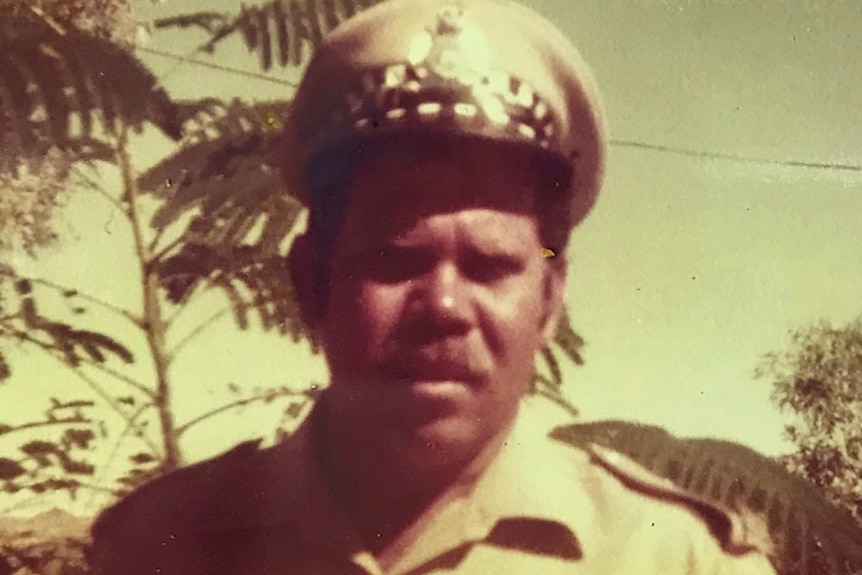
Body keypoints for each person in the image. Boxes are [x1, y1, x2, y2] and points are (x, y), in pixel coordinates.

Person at [89, 0, 777, 573]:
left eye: (490, 265)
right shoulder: (157, 547)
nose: (443, 305)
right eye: (394, 257)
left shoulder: (674, 558)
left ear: (548, 302)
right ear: (310, 282)